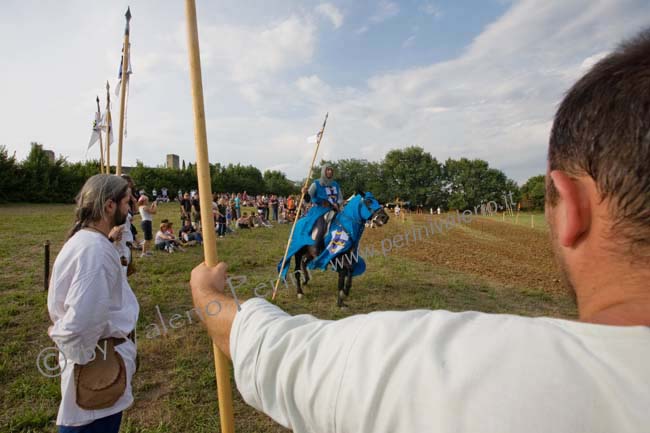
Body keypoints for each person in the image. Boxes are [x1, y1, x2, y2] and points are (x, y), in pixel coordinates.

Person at [189, 30, 650, 433]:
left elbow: (273, 351)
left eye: (329, 171)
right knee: (324, 222)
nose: (329, 172)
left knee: (343, 218)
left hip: (326, 227)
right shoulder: (322, 186)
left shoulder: (397, 366)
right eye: (326, 170)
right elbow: (318, 202)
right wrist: (318, 197)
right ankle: (314, 254)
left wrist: (209, 295)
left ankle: (343, 256)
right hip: (319, 210)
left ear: (569, 206)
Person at [48, 174, 139, 433]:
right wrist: (77, 351)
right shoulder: (94, 251)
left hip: (99, 355)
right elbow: (81, 323)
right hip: (96, 364)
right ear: (109, 206)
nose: (129, 207)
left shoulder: (93, 243)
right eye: (125, 202)